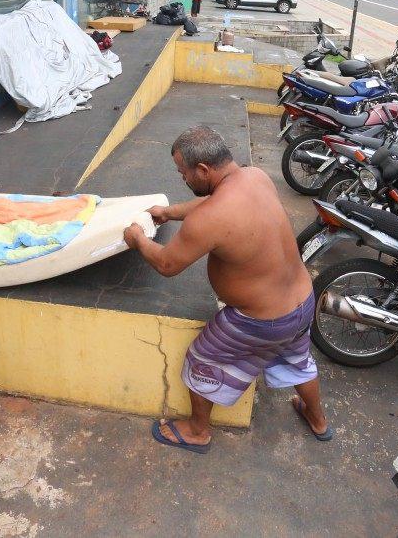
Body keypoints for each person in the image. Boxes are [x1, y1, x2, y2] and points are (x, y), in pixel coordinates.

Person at [122, 125, 332, 453]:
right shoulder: (254, 177)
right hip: (302, 302)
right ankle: (318, 420)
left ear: (203, 169)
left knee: (202, 358)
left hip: (262, 321)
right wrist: (169, 212)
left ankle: (197, 431)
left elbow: (167, 265)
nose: (183, 180)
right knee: (296, 359)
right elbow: (215, 204)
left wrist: (137, 239)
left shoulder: (209, 219)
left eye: (183, 173)